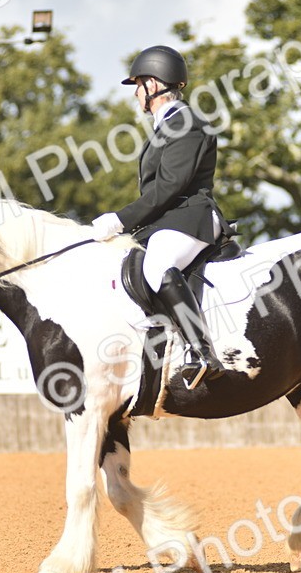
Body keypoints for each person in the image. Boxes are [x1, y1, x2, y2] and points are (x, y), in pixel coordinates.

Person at [90, 45, 227, 389]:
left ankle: (201, 352)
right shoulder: (167, 126)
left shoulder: (187, 123)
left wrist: (120, 220)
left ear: (154, 84)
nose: (135, 93)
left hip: (191, 217)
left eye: (138, 85)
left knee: (157, 265)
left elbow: (169, 186)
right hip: (169, 221)